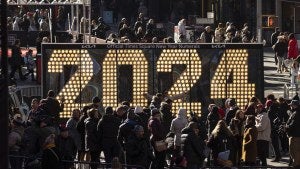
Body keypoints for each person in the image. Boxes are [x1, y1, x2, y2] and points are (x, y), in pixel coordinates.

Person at [286, 100, 300, 168]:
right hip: (296, 135)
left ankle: (296, 165)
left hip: (295, 136)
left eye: (291, 105)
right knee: (296, 152)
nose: (290, 106)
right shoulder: (296, 112)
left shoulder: (296, 113)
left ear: (294, 105)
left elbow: (293, 124)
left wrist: (286, 127)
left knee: (294, 152)